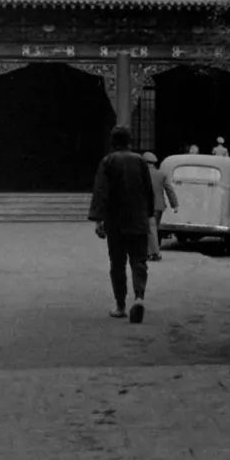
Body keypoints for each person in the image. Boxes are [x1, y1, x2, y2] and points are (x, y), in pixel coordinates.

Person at [89, 125, 155, 322]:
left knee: (117, 263)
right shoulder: (140, 161)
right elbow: (148, 191)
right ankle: (139, 297)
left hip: (115, 220)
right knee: (139, 261)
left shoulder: (108, 161)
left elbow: (101, 191)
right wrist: (149, 214)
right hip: (138, 219)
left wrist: (98, 219)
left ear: (112, 143)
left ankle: (120, 305)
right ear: (129, 142)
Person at [143, 151, 178, 261]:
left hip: (145, 205)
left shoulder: (141, 174)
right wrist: (174, 204)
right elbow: (169, 190)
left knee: (148, 229)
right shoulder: (161, 174)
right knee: (154, 229)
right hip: (159, 206)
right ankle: (152, 251)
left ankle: (153, 253)